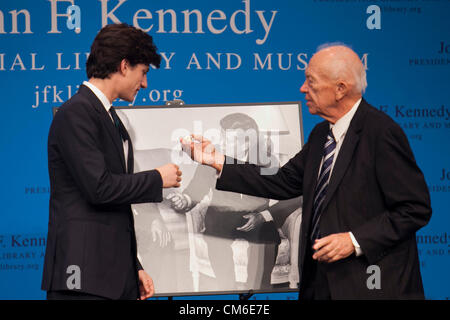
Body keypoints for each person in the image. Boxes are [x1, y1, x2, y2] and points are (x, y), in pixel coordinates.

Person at [181, 44, 432, 299]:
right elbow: (282, 181)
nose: (302, 88)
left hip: (370, 285)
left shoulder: (380, 133)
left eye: (311, 82)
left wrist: (354, 240)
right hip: (321, 283)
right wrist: (218, 160)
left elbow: (413, 209)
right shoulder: (320, 134)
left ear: (340, 89)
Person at [42, 23, 182, 300]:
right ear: (123, 65)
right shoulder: (77, 113)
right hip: (83, 278)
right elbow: (100, 188)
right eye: (143, 73)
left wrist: (134, 266)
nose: (144, 83)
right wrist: (157, 178)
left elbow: (114, 208)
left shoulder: (108, 115)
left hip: (112, 276)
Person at [169, 113, 290, 291]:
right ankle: (226, 289)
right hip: (222, 215)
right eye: (222, 136)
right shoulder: (211, 157)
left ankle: (259, 291)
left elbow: (286, 196)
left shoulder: (267, 161)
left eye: (229, 139)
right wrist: (184, 200)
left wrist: (263, 216)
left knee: (269, 239)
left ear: (248, 141)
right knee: (216, 237)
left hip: (257, 216)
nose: (222, 143)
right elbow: (196, 190)